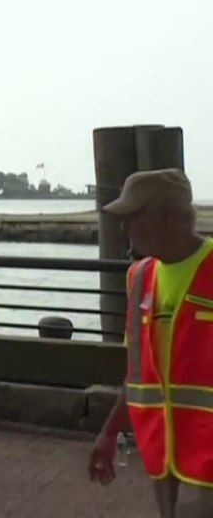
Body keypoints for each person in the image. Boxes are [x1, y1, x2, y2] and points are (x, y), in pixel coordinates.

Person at [89, 168, 213, 517]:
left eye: (133, 215)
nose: (123, 227)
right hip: (165, 457)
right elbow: (138, 374)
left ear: (167, 215)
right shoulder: (139, 277)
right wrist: (109, 432)